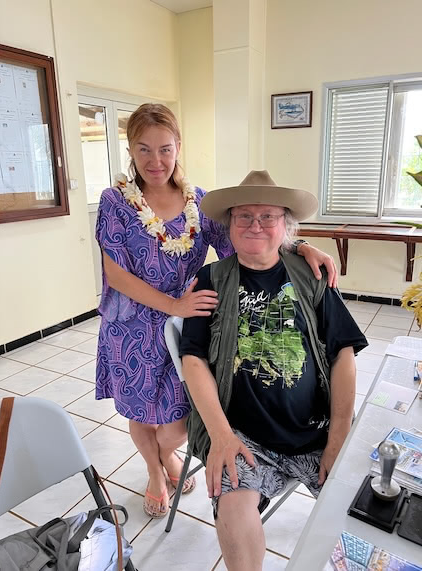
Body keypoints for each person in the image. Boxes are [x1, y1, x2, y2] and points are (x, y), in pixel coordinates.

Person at [93, 104, 337, 518]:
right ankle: (155, 471)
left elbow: (247, 241)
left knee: (181, 418)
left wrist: (299, 247)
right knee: (141, 409)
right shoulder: (115, 202)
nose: (156, 161)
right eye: (144, 149)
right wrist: (173, 303)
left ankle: (166, 454)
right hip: (133, 328)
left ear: (178, 147)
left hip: (190, 322)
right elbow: (115, 274)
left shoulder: (198, 203)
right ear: (130, 151)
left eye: (165, 149)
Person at [178, 171, 366, 571]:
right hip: (242, 434)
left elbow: (343, 356)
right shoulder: (211, 279)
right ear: (229, 226)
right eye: (244, 216)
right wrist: (222, 436)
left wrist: (338, 438)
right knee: (232, 509)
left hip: (314, 430)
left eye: (268, 216)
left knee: (368, 512)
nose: (255, 225)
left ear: (286, 225)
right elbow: (192, 360)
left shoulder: (311, 274)